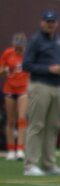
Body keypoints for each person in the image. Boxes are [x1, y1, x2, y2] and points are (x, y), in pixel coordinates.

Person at [22, 10, 60, 176]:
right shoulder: (35, 40)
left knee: (53, 126)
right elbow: (26, 65)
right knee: (37, 124)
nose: (50, 25)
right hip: (40, 85)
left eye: (53, 22)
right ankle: (30, 164)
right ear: (42, 23)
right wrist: (48, 69)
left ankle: (49, 164)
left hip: (58, 86)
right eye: (48, 22)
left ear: (57, 23)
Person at [1, 33, 29, 161]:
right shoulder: (8, 53)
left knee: (22, 118)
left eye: (21, 46)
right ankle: (11, 149)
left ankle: (20, 149)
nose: (19, 49)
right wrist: (5, 69)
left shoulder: (28, 55)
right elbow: (1, 68)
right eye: (17, 46)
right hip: (10, 89)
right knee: (11, 120)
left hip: (23, 89)